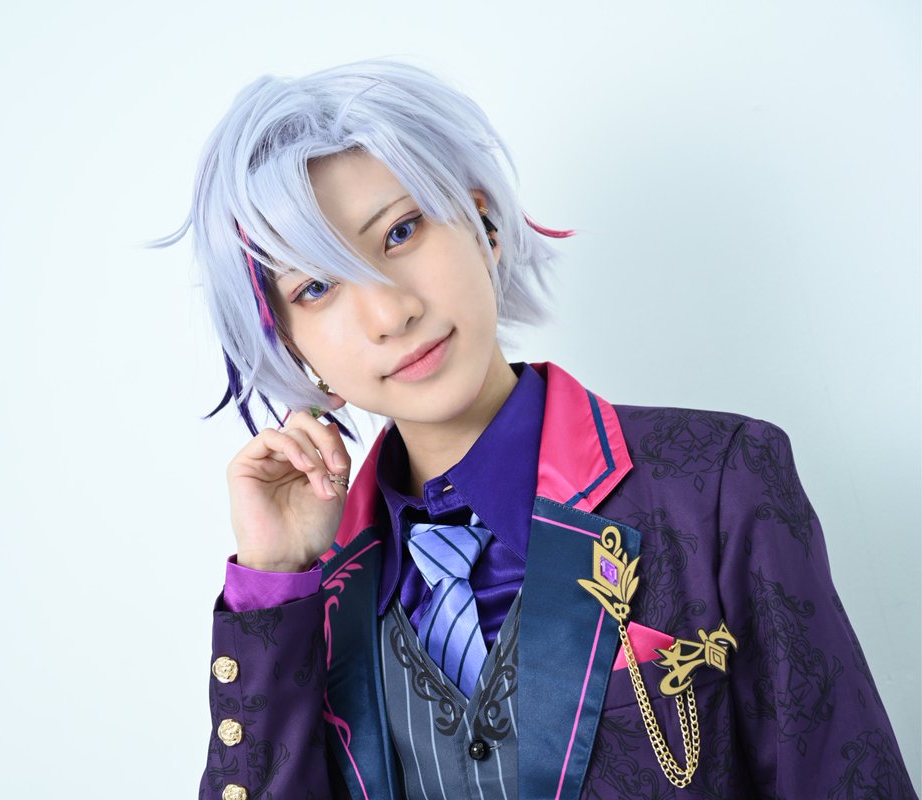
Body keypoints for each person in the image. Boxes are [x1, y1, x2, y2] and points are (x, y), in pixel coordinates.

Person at [157, 60, 915, 800]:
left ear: (482, 224)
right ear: (291, 346)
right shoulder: (313, 588)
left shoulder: (718, 482)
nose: (390, 313)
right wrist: (274, 586)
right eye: (317, 287)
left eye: (401, 232)